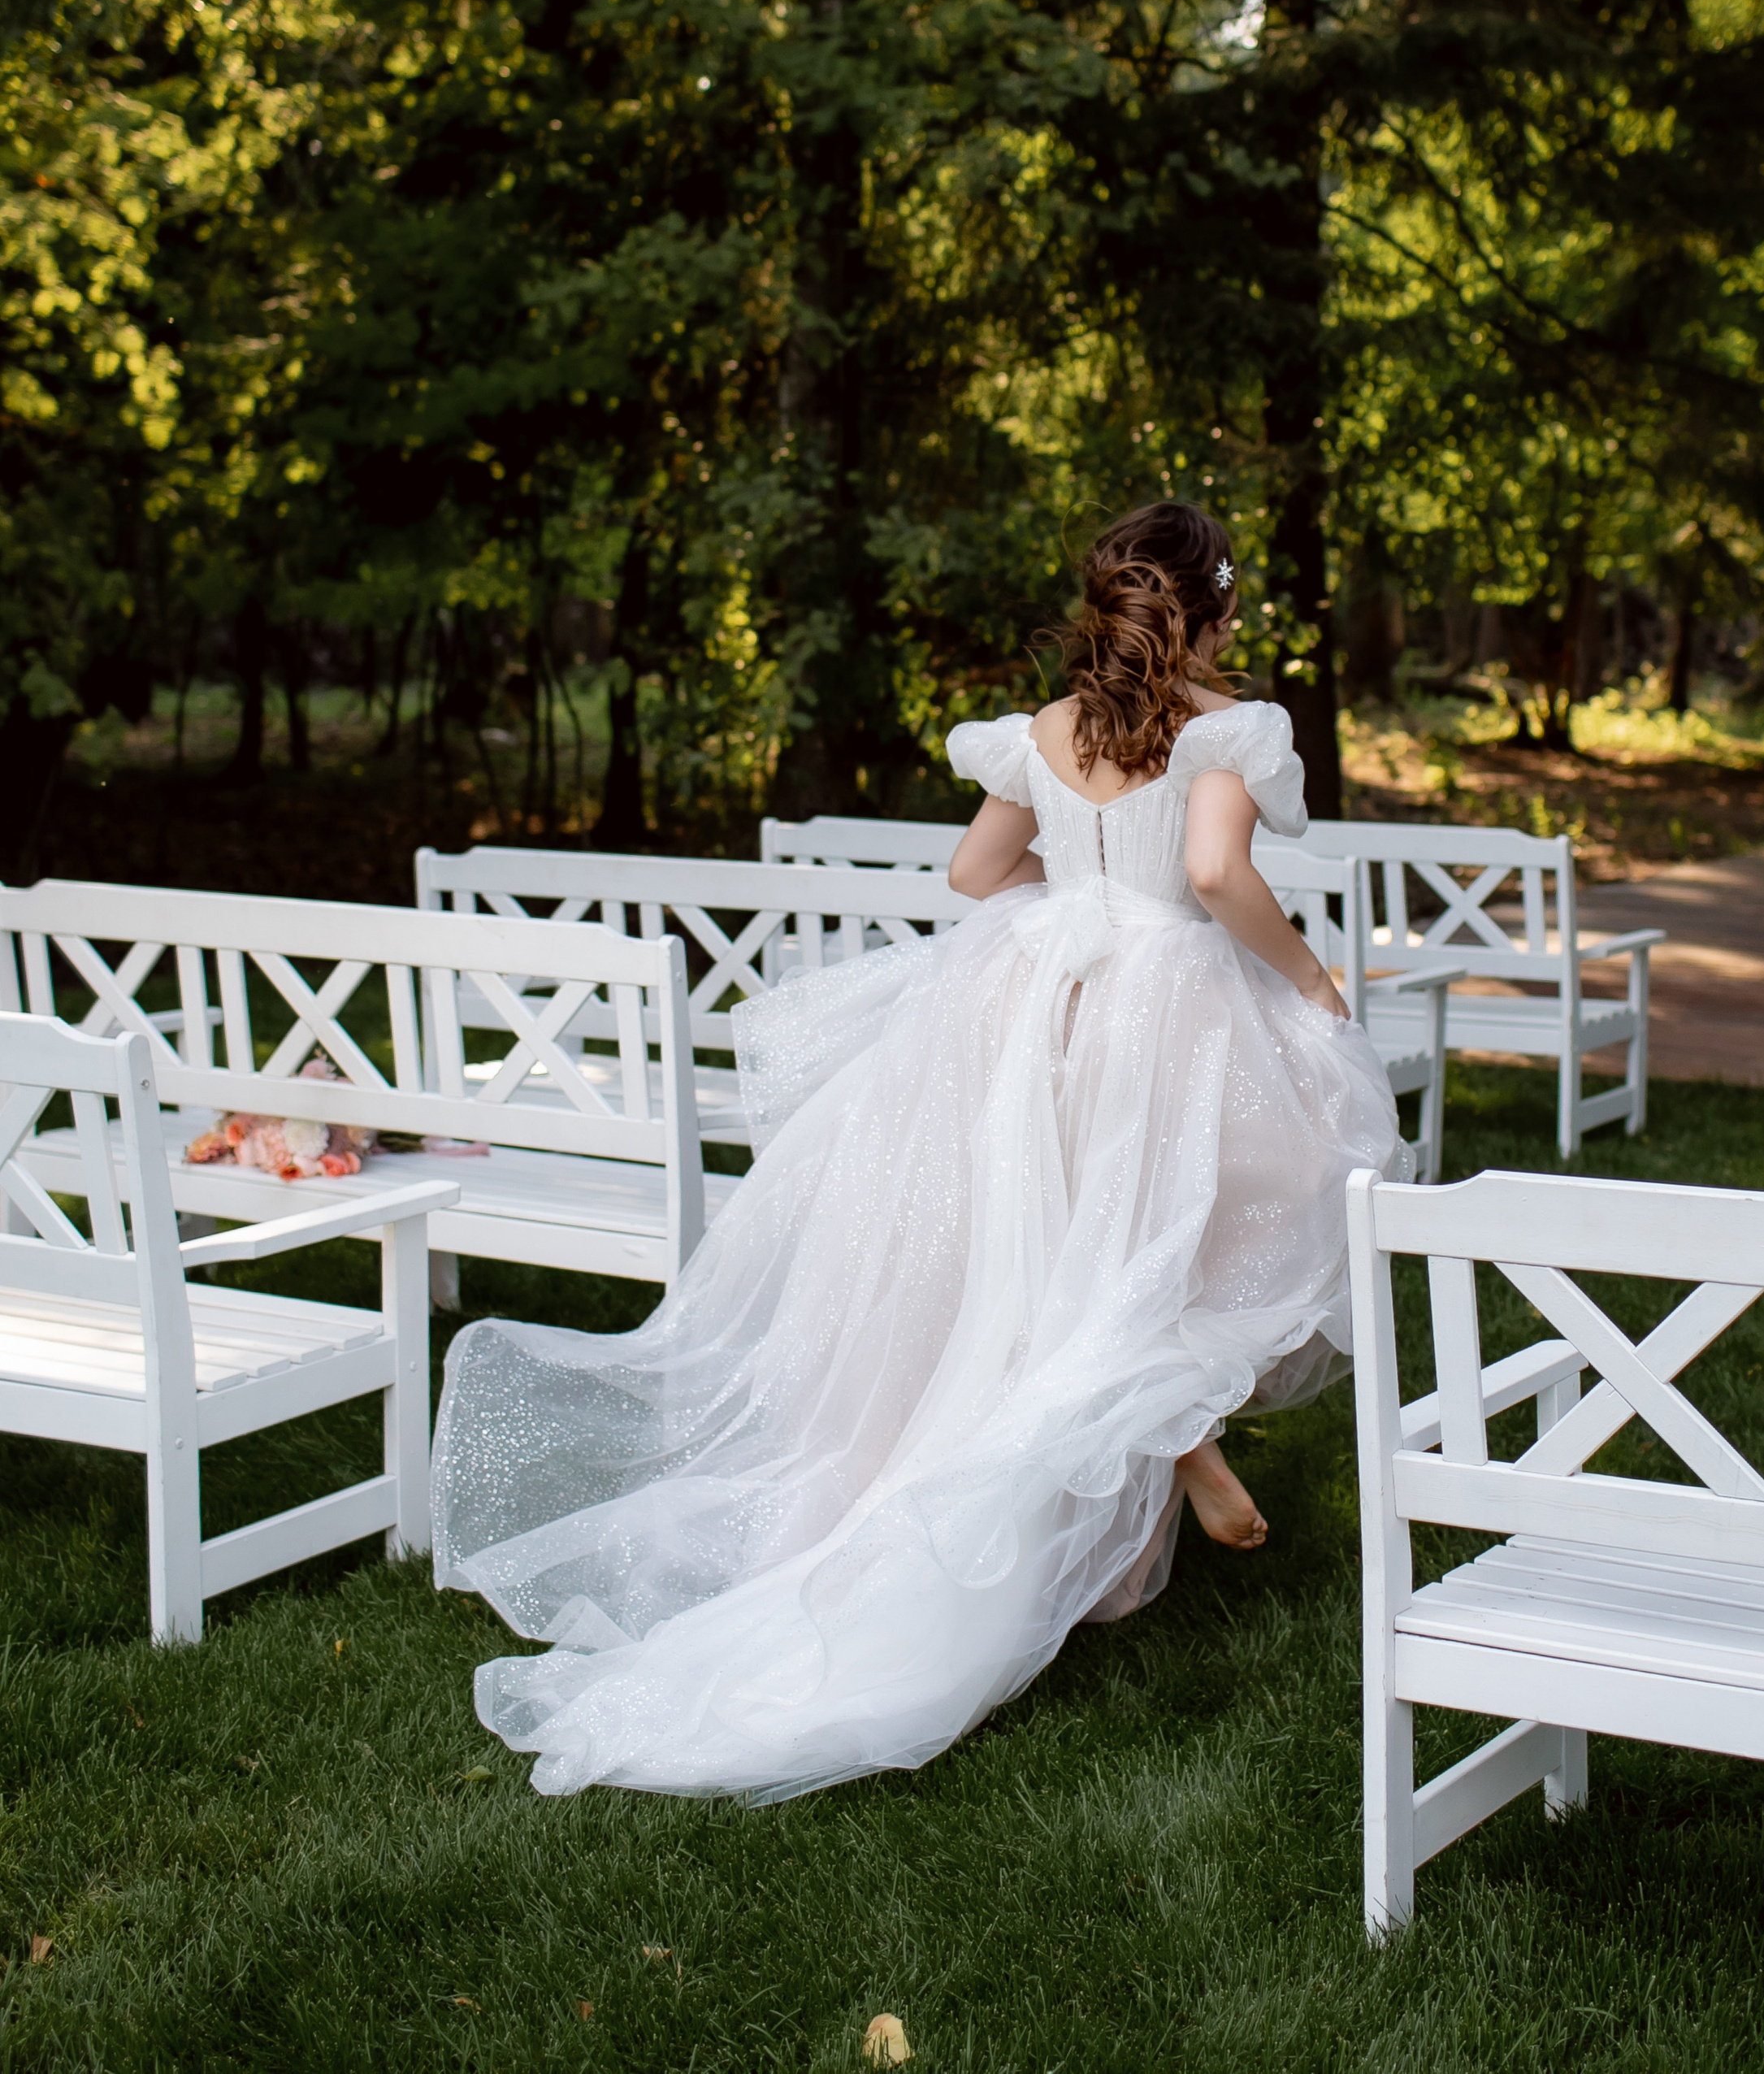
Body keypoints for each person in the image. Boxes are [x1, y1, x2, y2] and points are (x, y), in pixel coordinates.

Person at [431, 501, 1407, 1800]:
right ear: (1210, 610)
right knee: (1219, 1214)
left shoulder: (1047, 732)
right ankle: (1170, 1421)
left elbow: (969, 873)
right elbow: (1223, 877)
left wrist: (1071, 910)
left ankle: (1146, 1471)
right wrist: (1310, 978)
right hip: (1166, 1003)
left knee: (1045, 1245)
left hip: (1032, 1009)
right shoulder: (1221, 730)